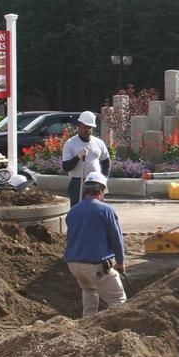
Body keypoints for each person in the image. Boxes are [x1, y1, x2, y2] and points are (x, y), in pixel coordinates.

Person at [63, 171, 126, 318]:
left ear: (85, 191)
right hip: (96, 265)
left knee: (89, 290)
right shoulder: (106, 210)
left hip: (74, 264)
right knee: (118, 300)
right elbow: (116, 238)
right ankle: (117, 329)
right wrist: (120, 261)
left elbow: (71, 237)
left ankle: (87, 324)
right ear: (101, 191)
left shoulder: (73, 211)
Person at [62, 111, 110, 207]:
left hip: (95, 181)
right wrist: (78, 157)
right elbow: (66, 167)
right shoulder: (70, 144)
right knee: (77, 208)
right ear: (79, 126)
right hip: (78, 182)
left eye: (89, 127)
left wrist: (104, 179)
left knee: (96, 208)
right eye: (85, 127)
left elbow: (106, 162)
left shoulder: (98, 143)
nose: (87, 130)